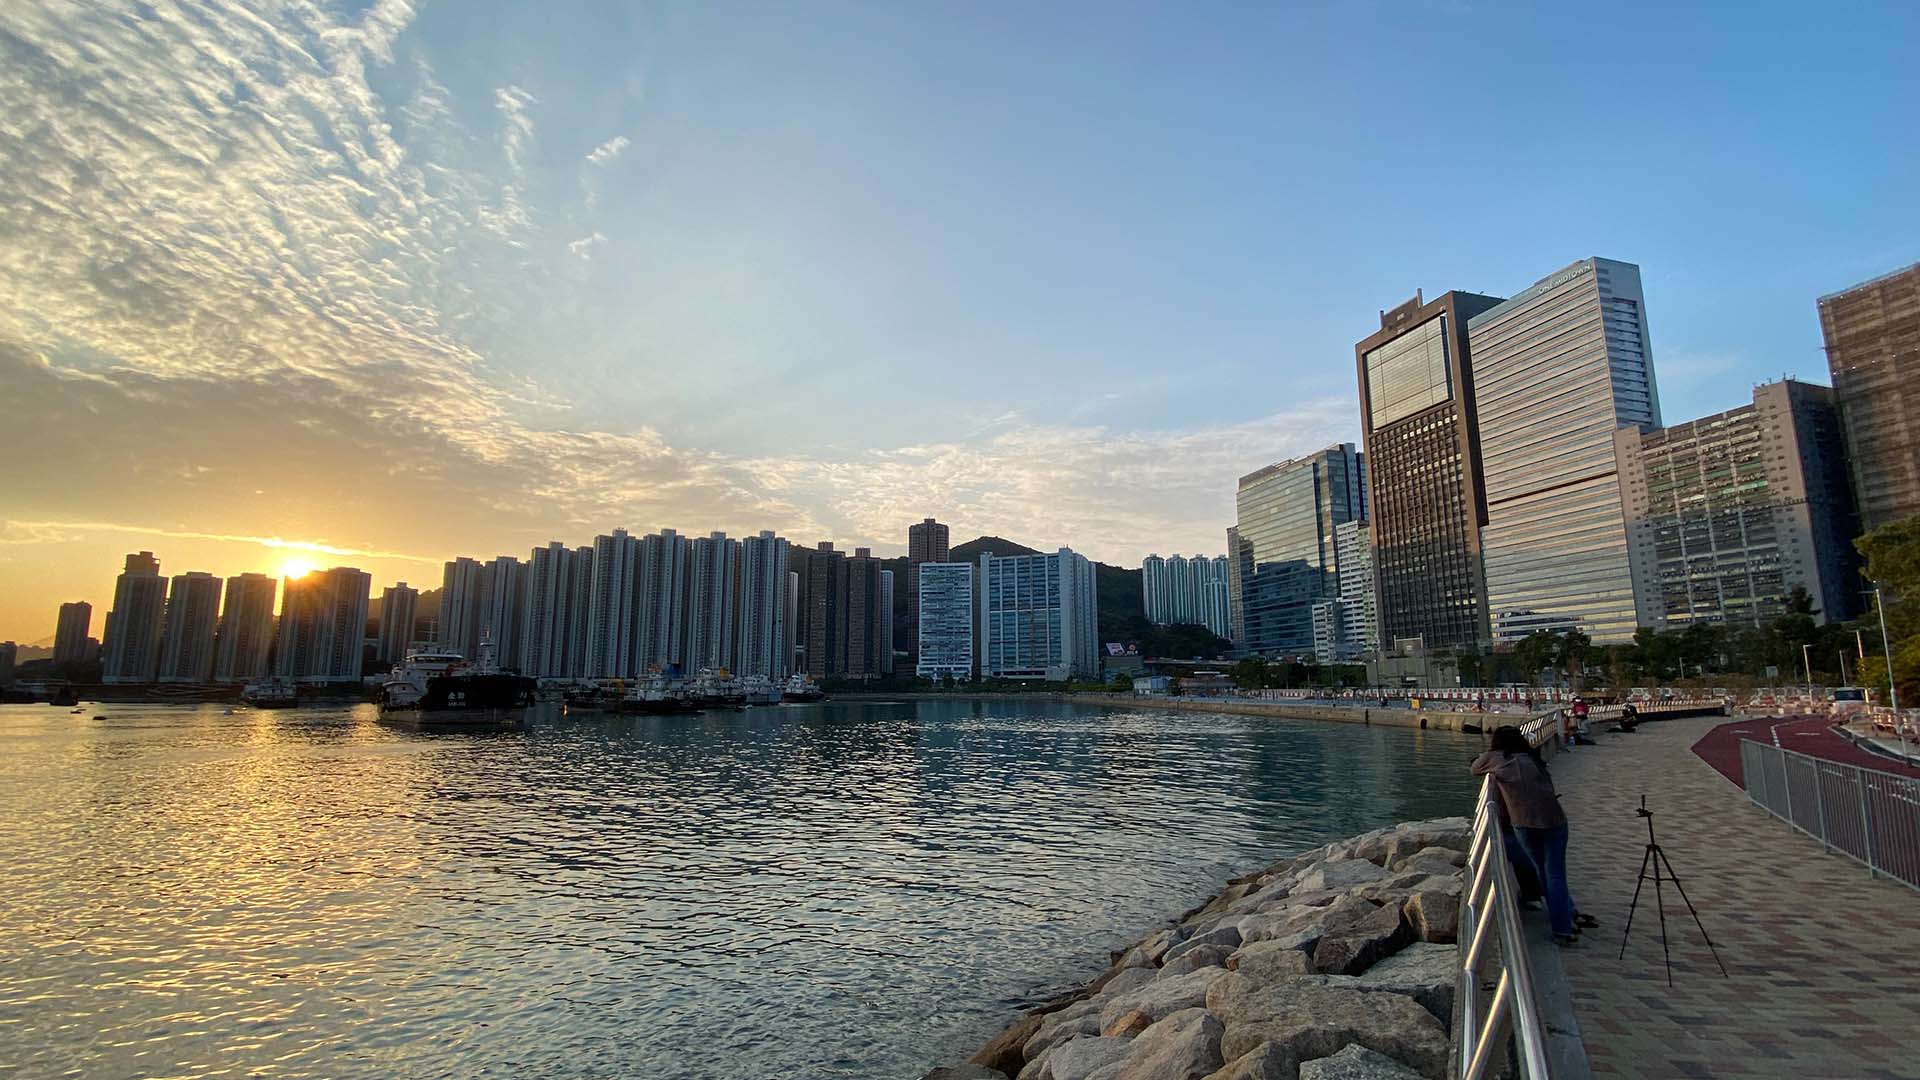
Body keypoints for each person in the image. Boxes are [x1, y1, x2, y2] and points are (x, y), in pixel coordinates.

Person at [1473, 726, 1581, 945]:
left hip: (1524, 824)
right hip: (1555, 822)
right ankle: (1564, 923)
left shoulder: (1500, 761)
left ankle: (1561, 918)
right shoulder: (1533, 759)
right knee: (1556, 874)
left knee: (1541, 869)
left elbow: (1475, 768)